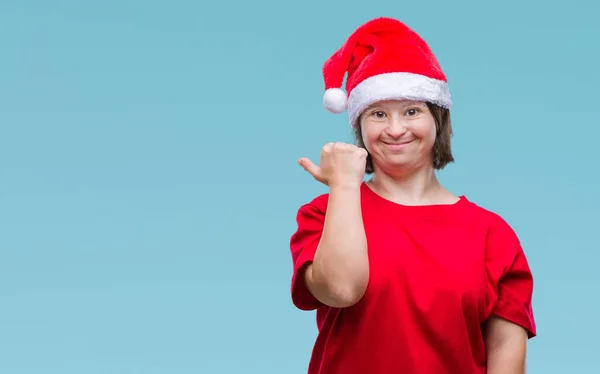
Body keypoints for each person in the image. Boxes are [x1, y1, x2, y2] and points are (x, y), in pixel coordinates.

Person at [288, 17, 536, 374]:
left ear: (439, 120)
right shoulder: (325, 213)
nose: (395, 129)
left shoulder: (493, 236)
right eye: (377, 113)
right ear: (359, 125)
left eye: (412, 111)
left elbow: (506, 361)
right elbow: (341, 290)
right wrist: (343, 186)